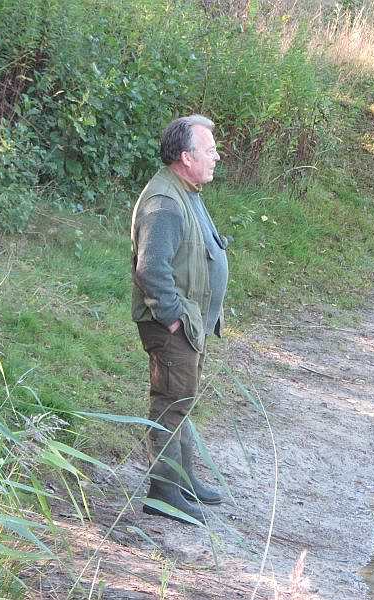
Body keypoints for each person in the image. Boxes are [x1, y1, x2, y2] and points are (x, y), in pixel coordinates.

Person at [130, 114, 228, 524]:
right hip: (173, 325)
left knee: (183, 400)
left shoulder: (187, 191)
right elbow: (151, 270)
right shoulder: (165, 202)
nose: (216, 157)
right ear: (187, 157)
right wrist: (173, 319)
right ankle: (163, 493)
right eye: (209, 150)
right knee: (170, 404)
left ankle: (183, 480)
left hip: (190, 323)